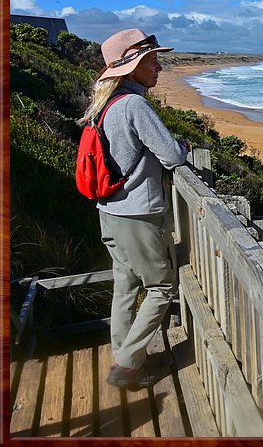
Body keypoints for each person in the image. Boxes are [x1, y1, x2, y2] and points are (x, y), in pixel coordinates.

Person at [78, 28, 191, 389]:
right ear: (131, 67)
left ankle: (121, 352)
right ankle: (127, 366)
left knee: (126, 285)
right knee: (161, 287)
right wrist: (184, 146)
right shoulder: (133, 105)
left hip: (108, 210)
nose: (159, 67)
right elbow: (171, 156)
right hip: (137, 213)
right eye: (152, 61)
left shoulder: (106, 104)